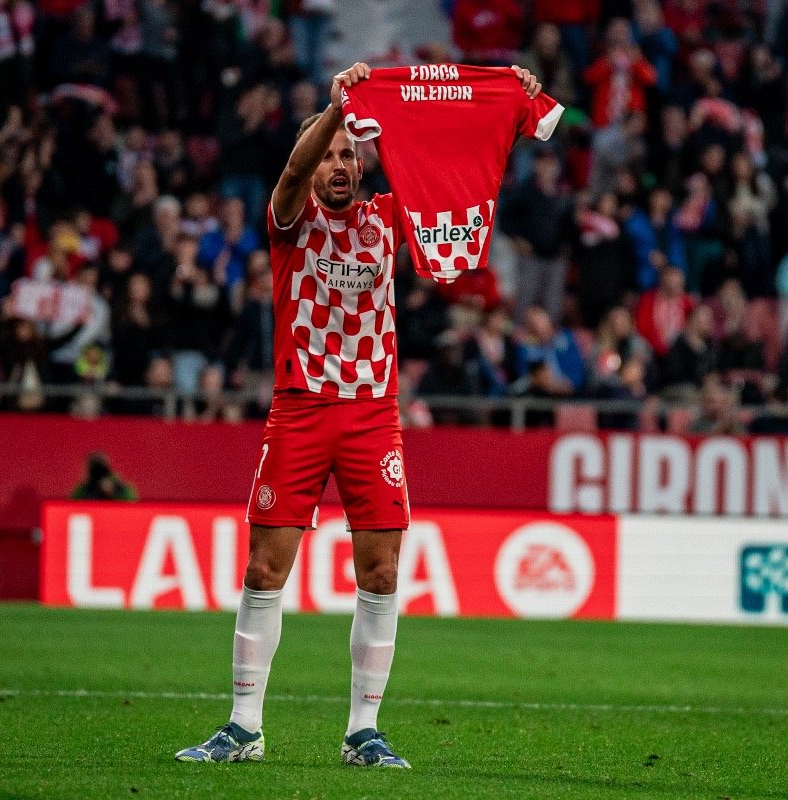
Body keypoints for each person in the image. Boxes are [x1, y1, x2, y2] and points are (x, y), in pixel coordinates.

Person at [175, 61, 545, 768]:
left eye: (351, 153)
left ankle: (362, 732)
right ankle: (243, 726)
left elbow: (460, 180)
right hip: (302, 409)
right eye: (332, 153)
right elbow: (290, 170)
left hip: (374, 416)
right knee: (265, 567)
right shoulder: (291, 217)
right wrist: (335, 108)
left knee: (380, 572)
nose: (341, 164)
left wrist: (510, 111)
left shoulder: (388, 217)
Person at [70, 452, 137, 500]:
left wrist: (114, 492)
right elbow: (70, 507)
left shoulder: (121, 487)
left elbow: (133, 505)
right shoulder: (83, 489)